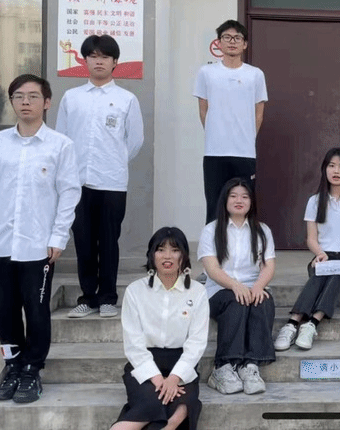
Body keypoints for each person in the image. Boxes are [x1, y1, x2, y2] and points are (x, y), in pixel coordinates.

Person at [0, 74, 81, 403]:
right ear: (12, 102)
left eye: (33, 96)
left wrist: (58, 236)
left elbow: (69, 194)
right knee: (3, 312)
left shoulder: (60, 145)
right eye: (19, 96)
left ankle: (32, 369)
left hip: (38, 246)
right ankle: (13, 365)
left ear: (46, 103)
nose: (25, 102)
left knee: (36, 311)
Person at [58, 34, 144, 319]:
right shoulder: (72, 98)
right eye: (93, 56)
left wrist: (114, 161)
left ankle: (108, 298)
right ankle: (88, 298)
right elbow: (62, 138)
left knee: (108, 241)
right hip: (77, 182)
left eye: (105, 56)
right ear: (85, 60)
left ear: (115, 62)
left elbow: (135, 141)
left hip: (112, 182)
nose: (99, 61)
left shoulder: (126, 99)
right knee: (83, 241)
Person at [111, 227, 208, 430]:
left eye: (175, 250)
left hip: (181, 363)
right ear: (151, 255)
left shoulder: (198, 292)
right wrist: (159, 380)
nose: (167, 256)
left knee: (183, 405)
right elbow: (134, 344)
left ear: (183, 256)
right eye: (161, 250)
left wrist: (174, 378)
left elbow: (196, 343)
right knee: (152, 403)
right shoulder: (135, 291)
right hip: (144, 363)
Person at [274, 147, 340, 351]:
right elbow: (311, 239)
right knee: (323, 271)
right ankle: (292, 325)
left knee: (338, 270)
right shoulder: (315, 201)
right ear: (325, 169)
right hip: (323, 257)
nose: (336, 171)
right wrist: (319, 254)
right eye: (331, 166)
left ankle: (311, 324)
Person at [198, 177, 276, 395]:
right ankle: (223, 366)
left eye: (244, 197)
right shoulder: (211, 230)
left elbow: (269, 265)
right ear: (225, 200)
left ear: (251, 202)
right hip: (219, 291)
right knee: (236, 301)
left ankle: (250, 366)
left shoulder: (262, 231)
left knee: (263, 301)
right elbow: (212, 269)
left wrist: (259, 286)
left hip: (252, 287)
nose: (239, 200)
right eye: (233, 196)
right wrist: (235, 286)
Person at [193, 20, 268, 224]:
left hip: (244, 153)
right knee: (214, 206)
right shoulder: (206, 73)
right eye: (227, 37)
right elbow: (203, 110)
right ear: (218, 43)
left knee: (244, 206)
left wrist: (246, 138)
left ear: (245, 44)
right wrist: (215, 134)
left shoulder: (255, 74)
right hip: (214, 152)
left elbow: (259, 114)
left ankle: (245, 244)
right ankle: (214, 245)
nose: (232, 41)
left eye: (237, 38)